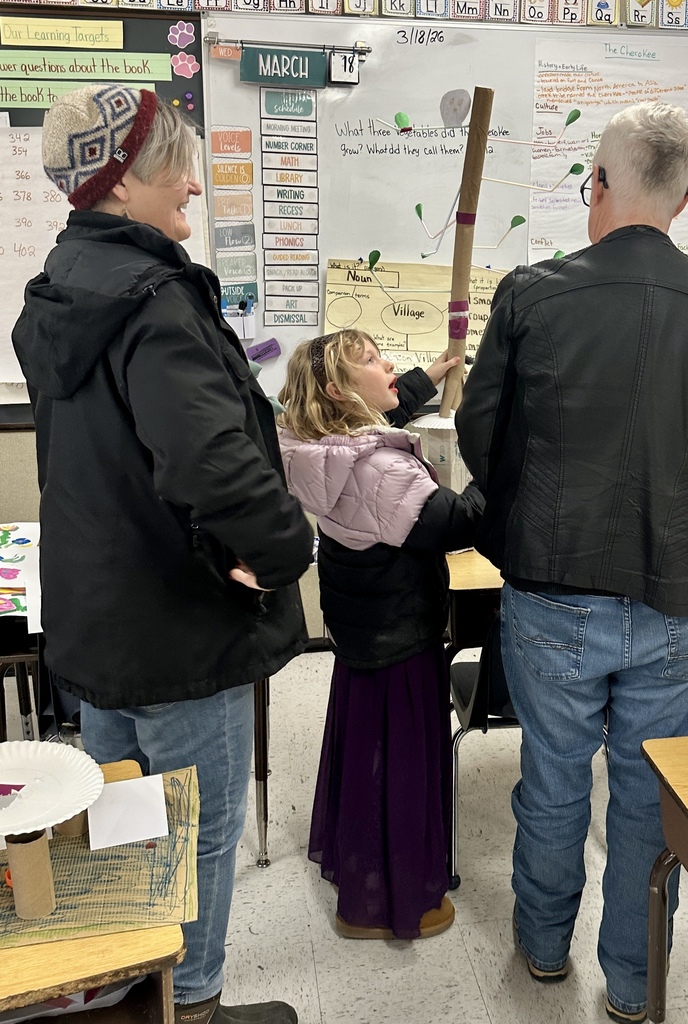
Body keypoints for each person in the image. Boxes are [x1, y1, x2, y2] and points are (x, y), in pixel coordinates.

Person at [455, 100, 688, 1023]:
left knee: (554, 775)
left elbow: (484, 439)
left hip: (553, 588)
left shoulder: (531, 293)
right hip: (686, 599)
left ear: (597, 183)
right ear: (686, 196)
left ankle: (543, 949)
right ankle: (635, 984)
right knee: (647, 788)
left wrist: (517, 539)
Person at [12, 85, 314, 1024]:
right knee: (199, 831)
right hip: (180, 630)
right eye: (173, 165)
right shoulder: (154, 300)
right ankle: (202, 1003)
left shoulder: (63, 286)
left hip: (99, 621)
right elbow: (209, 460)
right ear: (120, 185)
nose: (192, 183)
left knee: (125, 827)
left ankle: (138, 995)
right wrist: (286, 546)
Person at [277, 330, 484, 940]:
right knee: (401, 760)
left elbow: (384, 414)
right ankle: (392, 902)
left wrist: (429, 373)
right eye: (371, 361)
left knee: (367, 747)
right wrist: (498, 454)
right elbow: (459, 522)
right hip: (401, 635)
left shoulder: (321, 446)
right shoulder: (380, 468)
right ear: (340, 391)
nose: (389, 364)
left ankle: (361, 872)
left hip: (362, 630)